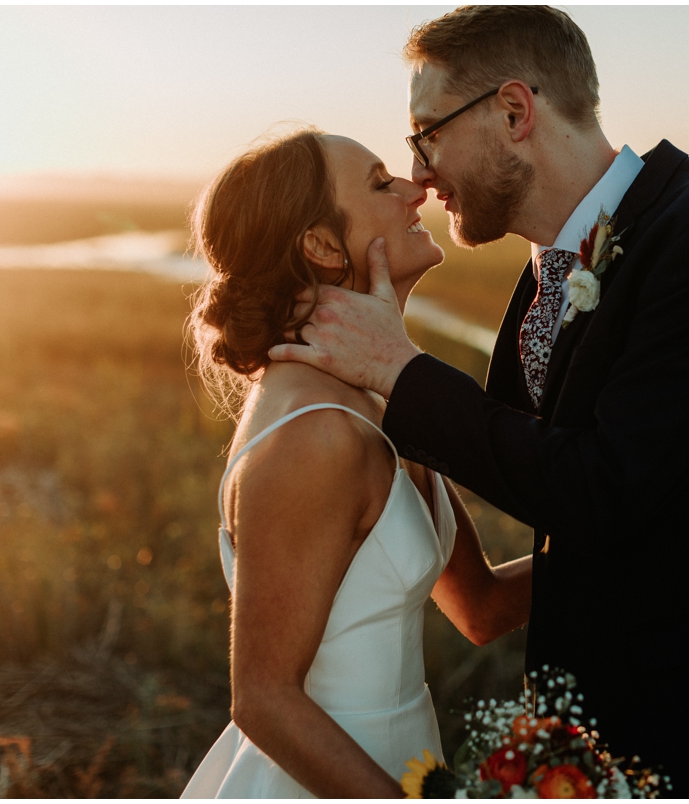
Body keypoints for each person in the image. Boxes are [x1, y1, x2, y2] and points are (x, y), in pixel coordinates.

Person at [269, 6, 689, 797]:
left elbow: (602, 486)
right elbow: (543, 489)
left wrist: (402, 371)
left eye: (426, 134)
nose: (421, 173)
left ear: (513, 111)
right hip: (604, 744)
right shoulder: (547, 277)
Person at [180, 128, 533, 798]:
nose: (414, 186)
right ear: (320, 244)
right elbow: (262, 699)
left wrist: (646, 533)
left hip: (402, 765)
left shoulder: (381, 399)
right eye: (379, 183)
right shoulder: (316, 437)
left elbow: (479, 607)